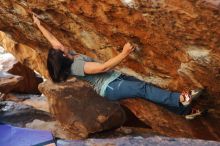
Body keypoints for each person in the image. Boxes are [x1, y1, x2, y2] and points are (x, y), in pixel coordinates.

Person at [32, 14, 203, 119]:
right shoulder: (75, 66)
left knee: (147, 90)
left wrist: (38, 24)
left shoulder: (67, 55)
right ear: (63, 57)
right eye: (61, 50)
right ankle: (180, 99)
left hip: (116, 78)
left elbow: (52, 41)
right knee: (142, 88)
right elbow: (102, 68)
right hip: (110, 87)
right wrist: (124, 53)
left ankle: (184, 111)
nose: (61, 46)